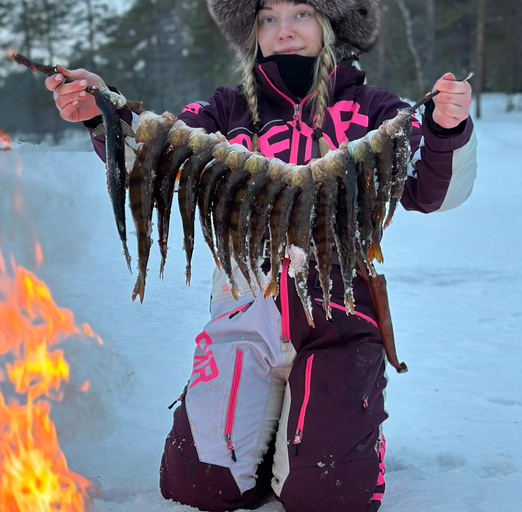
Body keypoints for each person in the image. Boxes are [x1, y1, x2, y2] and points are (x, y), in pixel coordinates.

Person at [46, 1, 476, 510]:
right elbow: (160, 154)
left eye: (301, 14)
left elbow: (434, 192)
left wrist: (447, 130)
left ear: (333, 24)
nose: (283, 30)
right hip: (243, 306)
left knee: (327, 495)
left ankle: (333, 430)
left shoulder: (376, 109)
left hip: (337, 313)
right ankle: (263, 421)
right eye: (268, 18)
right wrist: (106, 112)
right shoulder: (226, 110)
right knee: (197, 485)